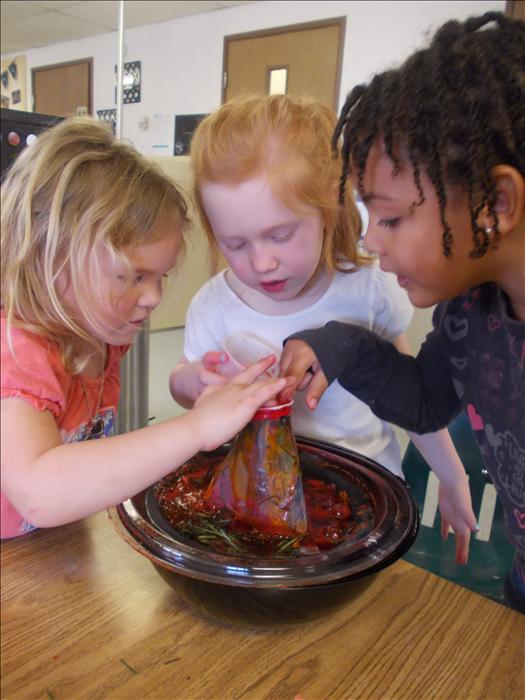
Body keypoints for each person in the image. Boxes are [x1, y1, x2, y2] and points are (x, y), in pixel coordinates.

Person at [279, 12, 525, 611]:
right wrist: (339, 346)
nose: (372, 244)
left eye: (389, 219)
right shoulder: (471, 314)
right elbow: (424, 401)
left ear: (495, 204)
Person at [169, 93, 476, 563]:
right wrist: (192, 382)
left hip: (362, 504)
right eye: (235, 243)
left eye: (281, 234)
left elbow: (413, 401)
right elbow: (187, 390)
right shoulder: (214, 306)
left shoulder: (367, 290)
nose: (262, 261)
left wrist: (453, 479)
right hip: (257, 508)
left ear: (327, 210)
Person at [0, 117, 289, 539]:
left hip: (52, 546)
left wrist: (202, 384)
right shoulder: (17, 352)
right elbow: (38, 492)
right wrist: (194, 428)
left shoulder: (101, 341)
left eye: (161, 276)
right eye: (133, 276)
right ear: (53, 258)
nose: (154, 296)